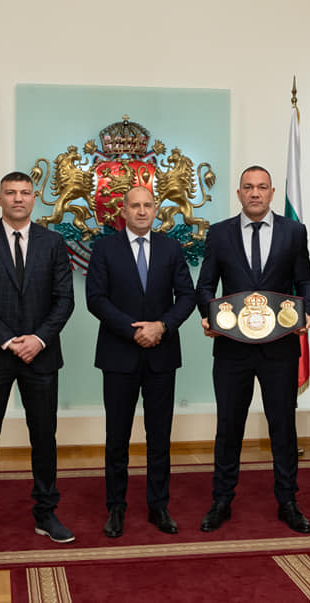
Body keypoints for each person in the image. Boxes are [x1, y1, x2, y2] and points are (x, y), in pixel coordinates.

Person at [195, 165, 310, 534]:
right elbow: (205, 286)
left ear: (272, 192)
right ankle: (221, 500)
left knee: (283, 427)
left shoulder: (294, 232)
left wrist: (306, 312)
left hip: (280, 349)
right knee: (229, 427)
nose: (255, 193)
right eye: (248, 187)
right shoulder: (219, 233)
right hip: (232, 349)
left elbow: (305, 280)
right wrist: (209, 316)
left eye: (262, 187)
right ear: (239, 193)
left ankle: (288, 501)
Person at [0, 171, 75, 550]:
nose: (18, 199)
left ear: (34, 198)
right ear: (0, 198)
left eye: (25, 192)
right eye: (11, 193)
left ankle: (46, 512)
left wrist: (38, 339)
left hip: (41, 354)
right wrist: (10, 341)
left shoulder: (53, 242)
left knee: (43, 437)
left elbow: (64, 300)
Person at [85, 186, 196, 537]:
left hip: (162, 354)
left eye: (148, 205)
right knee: (116, 437)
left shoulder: (171, 247)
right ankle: (116, 507)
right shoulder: (104, 248)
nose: (142, 211)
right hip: (119, 354)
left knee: (159, 435)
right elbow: (95, 298)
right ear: (124, 210)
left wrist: (162, 326)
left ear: (156, 208)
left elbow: (187, 296)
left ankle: (158, 505)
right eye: (135, 205)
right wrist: (133, 330)